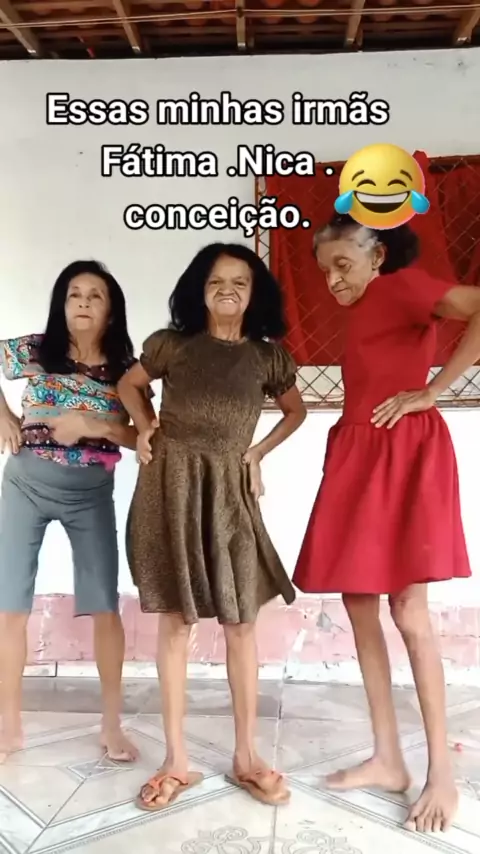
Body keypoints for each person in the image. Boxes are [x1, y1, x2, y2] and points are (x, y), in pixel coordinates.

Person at [293, 213, 477, 834]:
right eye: (325, 271)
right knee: (358, 600)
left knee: (409, 611)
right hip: (359, 451)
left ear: (377, 257)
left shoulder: (402, 286)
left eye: (343, 265)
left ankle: (441, 774)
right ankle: (388, 758)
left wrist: (435, 390)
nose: (332, 281)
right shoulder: (370, 305)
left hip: (403, 452)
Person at [117, 242, 306, 811]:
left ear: (254, 294)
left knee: (241, 620)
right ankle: (176, 761)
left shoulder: (267, 357)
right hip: (170, 485)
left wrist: (257, 453)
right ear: (199, 290)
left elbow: (295, 411)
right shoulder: (172, 345)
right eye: (216, 281)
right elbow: (129, 384)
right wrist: (145, 425)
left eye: (240, 282)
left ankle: (247, 757)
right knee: (176, 621)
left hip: (230, 489)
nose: (228, 290)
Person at [0, 259, 152, 763]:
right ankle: (8, 726)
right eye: (74, 294)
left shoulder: (127, 371)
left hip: (90, 495)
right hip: (25, 484)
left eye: (95, 295)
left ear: (111, 311)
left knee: (104, 606)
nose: (83, 302)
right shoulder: (37, 350)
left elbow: (146, 437)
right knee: (9, 605)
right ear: (62, 305)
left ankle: (111, 726)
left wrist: (95, 425)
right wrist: (4, 416)